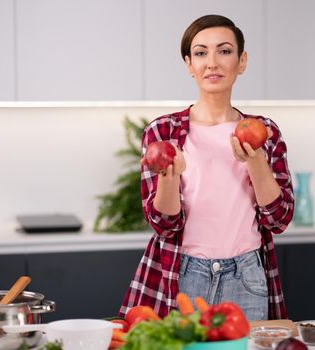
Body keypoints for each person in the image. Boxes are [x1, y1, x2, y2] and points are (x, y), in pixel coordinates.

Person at [119, 14, 294, 321]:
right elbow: (163, 225)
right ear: (189, 64)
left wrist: (255, 161)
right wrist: (169, 179)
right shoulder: (163, 133)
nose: (212, 62)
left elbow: (278, 220)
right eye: (200, 53)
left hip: (247, 275)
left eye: (224, 51)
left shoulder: (265, 132)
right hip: (184, 273)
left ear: (242, 62)